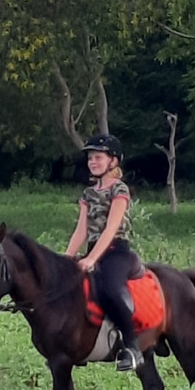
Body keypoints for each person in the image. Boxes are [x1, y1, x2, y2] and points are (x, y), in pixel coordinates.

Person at [65, 133, 144, 372]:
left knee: (109, 288)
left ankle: (132, 347)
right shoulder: (88, 194)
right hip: (93, 251)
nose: (92, 162)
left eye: (98, 157)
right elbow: (81, 231)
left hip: (116, 252)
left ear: (113, 161)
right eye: (90, 158)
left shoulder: (119, 189)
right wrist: (67, 258)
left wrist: (91, 259)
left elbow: (111, 228)